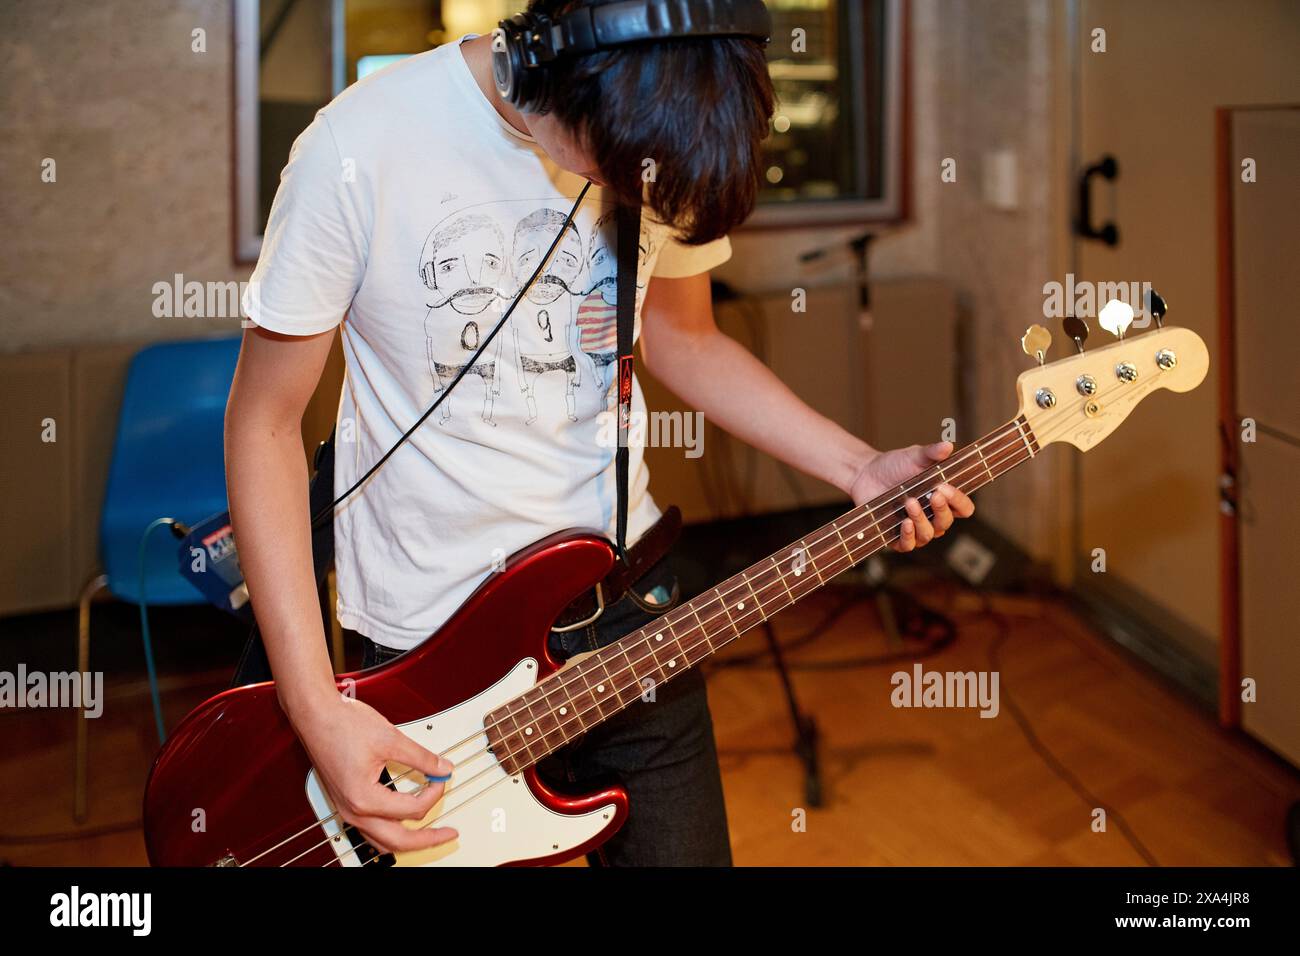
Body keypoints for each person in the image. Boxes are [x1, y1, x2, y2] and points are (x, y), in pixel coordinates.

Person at [225, 0, 974, 867]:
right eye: (623, 169)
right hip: (423, 646)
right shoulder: (356, 146)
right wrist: (315, 708)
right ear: (549, 66)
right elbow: (265, 424)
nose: (636, 193)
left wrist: (860, 465)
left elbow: (684, 341)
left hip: (624, 613)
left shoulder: (659, 128)